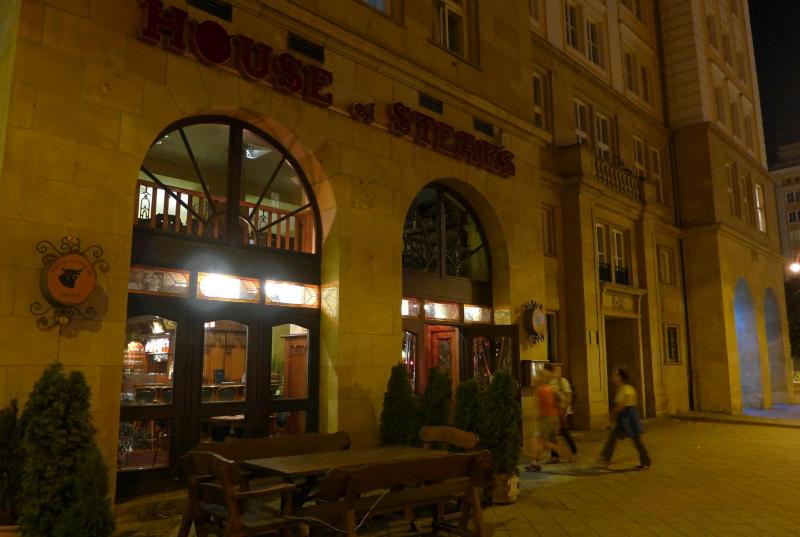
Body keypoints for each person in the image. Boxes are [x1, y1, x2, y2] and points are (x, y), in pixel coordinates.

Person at [597, 368, 651, 470]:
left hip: (629, 418)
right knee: (613, 438)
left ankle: (646, 462)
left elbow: (623, 404)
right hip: (623, 418)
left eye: (615, 375)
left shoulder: (627, 389)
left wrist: (612, 413)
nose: (613, 377)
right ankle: (605, 459)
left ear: (621, 377)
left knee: (637, 440)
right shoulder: (621, 388)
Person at [544, 363, 578, 463]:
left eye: (545, 371)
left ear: (549, 371)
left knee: (564, 432)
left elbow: (568, 396)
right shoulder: (548, 382)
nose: (544, 374)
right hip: (552, 412)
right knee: (552, 433)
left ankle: (574, 452)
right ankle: (555, 456)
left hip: (561, 411)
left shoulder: (561, 381)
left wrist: (564, 411)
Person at [525, 372, 559, 472]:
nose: (535, 379)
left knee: (538, 442)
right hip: (549, 418)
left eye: (537, 377)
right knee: (540, 443)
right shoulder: (550, 389)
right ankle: (535, 463)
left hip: (543, 419)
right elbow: (554, 405)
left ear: (541, 379)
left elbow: (537, 406)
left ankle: (536, 463)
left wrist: (534, 419)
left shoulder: (540, 390)